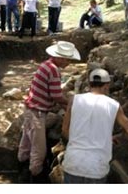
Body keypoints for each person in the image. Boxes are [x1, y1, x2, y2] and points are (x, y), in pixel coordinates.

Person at [17, 41, 81, 183]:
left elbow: (53, 94)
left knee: (26, 144)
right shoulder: (54, 70)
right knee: (39, 152)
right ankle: (36, 178)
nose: (69, 62)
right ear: (59, 58)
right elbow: (56, 96)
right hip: (37, 113)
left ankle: (21, 171)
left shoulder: (46, 65)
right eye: (67, 59)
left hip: (30, 109)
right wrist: (70, 105)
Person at [61, 68, 128, 184]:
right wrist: (115, 139)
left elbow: (64, 131)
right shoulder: (114, 105)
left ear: (90, 84)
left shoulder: (74, 100)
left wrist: (79, 140)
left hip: (73, 164)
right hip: (96, 167)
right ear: (106, 86)